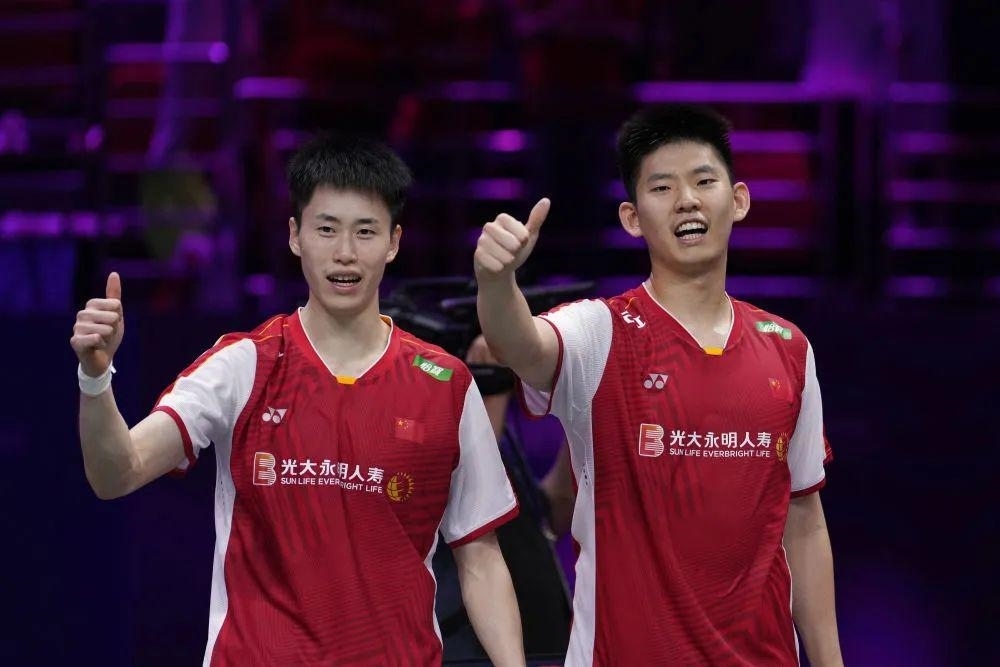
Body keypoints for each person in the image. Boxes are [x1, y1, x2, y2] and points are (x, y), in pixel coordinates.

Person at [71, 135, 525, 666]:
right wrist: (95, 379)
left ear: (394, 242)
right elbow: (116, 473)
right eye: (326, 229)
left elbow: (480, 559)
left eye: (365, 231)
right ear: (295, 236)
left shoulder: (445, 383)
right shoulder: (243, 366)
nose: (345, 253)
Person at [474, 104, 843, 666]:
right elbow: (519, 343)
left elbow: (805, 522)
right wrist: (497, 281)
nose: (687, 200)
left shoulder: (789, 348)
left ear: (738, 200)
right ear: (631, 217)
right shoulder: (599, 332)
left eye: (703, 181)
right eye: (663, 187)